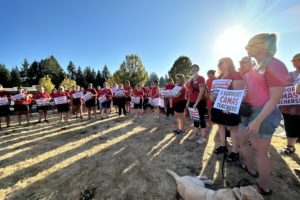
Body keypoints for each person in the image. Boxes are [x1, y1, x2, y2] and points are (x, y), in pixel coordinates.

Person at [238, 33, 288, 195]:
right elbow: (251, 90)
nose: (246, 48)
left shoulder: (275, 65)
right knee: (241, 140)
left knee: (261, 151)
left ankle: (263, 185)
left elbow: (275, 98)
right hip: (249, 110)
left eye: (250, 44)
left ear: (261, 46)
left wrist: (258, 120)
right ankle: (250, 167)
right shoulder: (256, 67)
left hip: (263, 113)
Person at [211, 58, 245, 162]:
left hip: (230, 107)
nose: (219, 65)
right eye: (218, 63)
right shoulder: (219, 77)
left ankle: (235, 152)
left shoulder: (236, 74)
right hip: (218, 106)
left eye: (221, 63)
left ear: (229, 63)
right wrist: (212, 96)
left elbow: (239, 93)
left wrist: (229, 106)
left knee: (233, 129)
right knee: (221, 127)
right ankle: (223, 146)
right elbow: (214, 92)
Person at [279, 53, 300, 155]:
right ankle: (290, 146)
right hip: (289, 108)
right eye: (293, 60)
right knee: (290, 127)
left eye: (296, 60)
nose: (294, 62)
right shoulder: (289, 74)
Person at [186, 64, 208, 144]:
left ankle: (203, 138)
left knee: (201, 120)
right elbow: (189, 93)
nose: (193, 70)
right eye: (192, 68)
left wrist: (196, 103)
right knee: (195, 119)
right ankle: (195, 134)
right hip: (192, 102)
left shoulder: (201, 78)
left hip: (200, 102)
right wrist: (188, 102)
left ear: (198, 69)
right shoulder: (191, 80)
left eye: (195, 69)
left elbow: (201, 92)